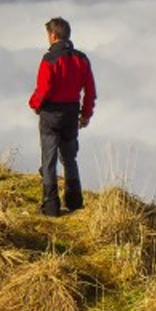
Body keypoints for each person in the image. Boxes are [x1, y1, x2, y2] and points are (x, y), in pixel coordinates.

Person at [28, 17, 96, 217]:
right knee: (69, 157)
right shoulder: (81, 59)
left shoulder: (49, 59)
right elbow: (90, 91)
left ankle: (51, 207)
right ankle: (74, 201)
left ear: (53, 35)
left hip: (50, 115)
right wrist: (85, 115)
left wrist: (34, 104)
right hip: (71, 114)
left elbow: (44, 88)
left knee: (49, 160)